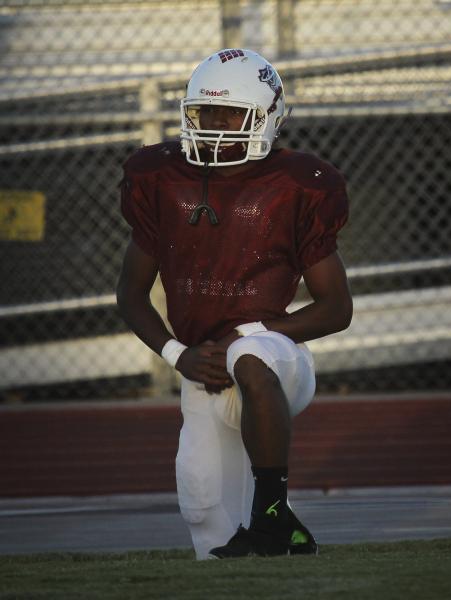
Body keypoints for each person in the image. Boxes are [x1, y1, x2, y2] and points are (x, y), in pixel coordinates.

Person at [116, 48, 353, 559]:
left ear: (268, 117)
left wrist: (244, 337)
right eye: (207, 114)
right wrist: (180, 355)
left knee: (249, 354)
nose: (217, 127)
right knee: (206, 522)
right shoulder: (161, 178)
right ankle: (285, 530)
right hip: (201, 364)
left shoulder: (298, 185)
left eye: (232, 114)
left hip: (274, 359)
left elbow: (336, 309)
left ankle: (271, 511)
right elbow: (130, 294)